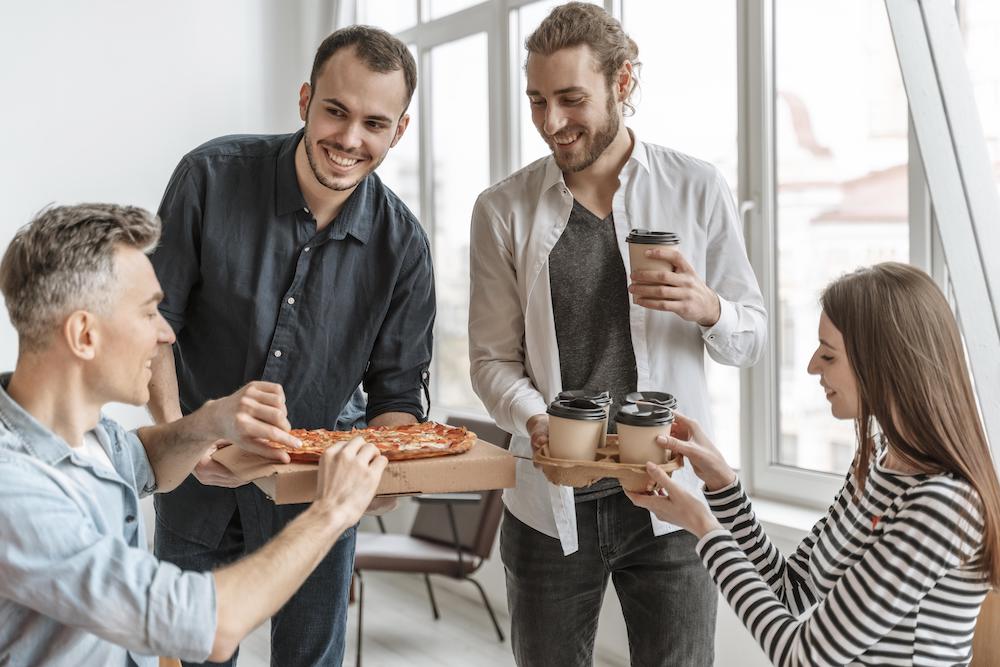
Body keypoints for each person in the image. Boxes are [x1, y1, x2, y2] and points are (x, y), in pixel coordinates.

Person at [468, 3, 766, 665]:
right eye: (537, 101)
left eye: (571, 99)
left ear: (623, 82)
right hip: (549, 509)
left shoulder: (696, 186)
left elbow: (751, 340)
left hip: (673, 505)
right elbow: (490, 361)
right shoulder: (502, 209)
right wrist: (533, 418)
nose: (552, 123)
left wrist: (707, 304)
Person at [147, 25, 435, 666]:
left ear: (400, 130)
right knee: (187, 651)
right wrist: (175, 438)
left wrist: (384, 471)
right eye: (335, 111)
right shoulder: (209, 177)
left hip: (314, 500)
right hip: (195, 485)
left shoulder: (405, 247)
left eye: (375, 123)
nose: (350, 140)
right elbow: (154, 326)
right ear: (305, 98)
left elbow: (397, 393)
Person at [0, 203, 387, 666]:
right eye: (148, 314)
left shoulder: (80, 431)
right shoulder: (16, 492)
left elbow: (143, 458)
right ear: (84, 335)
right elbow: (211, 625)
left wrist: (210, 421)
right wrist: (333, 510)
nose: (166, 333)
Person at [630, 262, 1000, 666]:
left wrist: (704, 528)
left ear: (884, 363)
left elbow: (803, 655)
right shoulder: (875, 459)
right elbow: (792, 588)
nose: (811, 367)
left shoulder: (942, 506)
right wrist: (723, 486)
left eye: (828, 355)